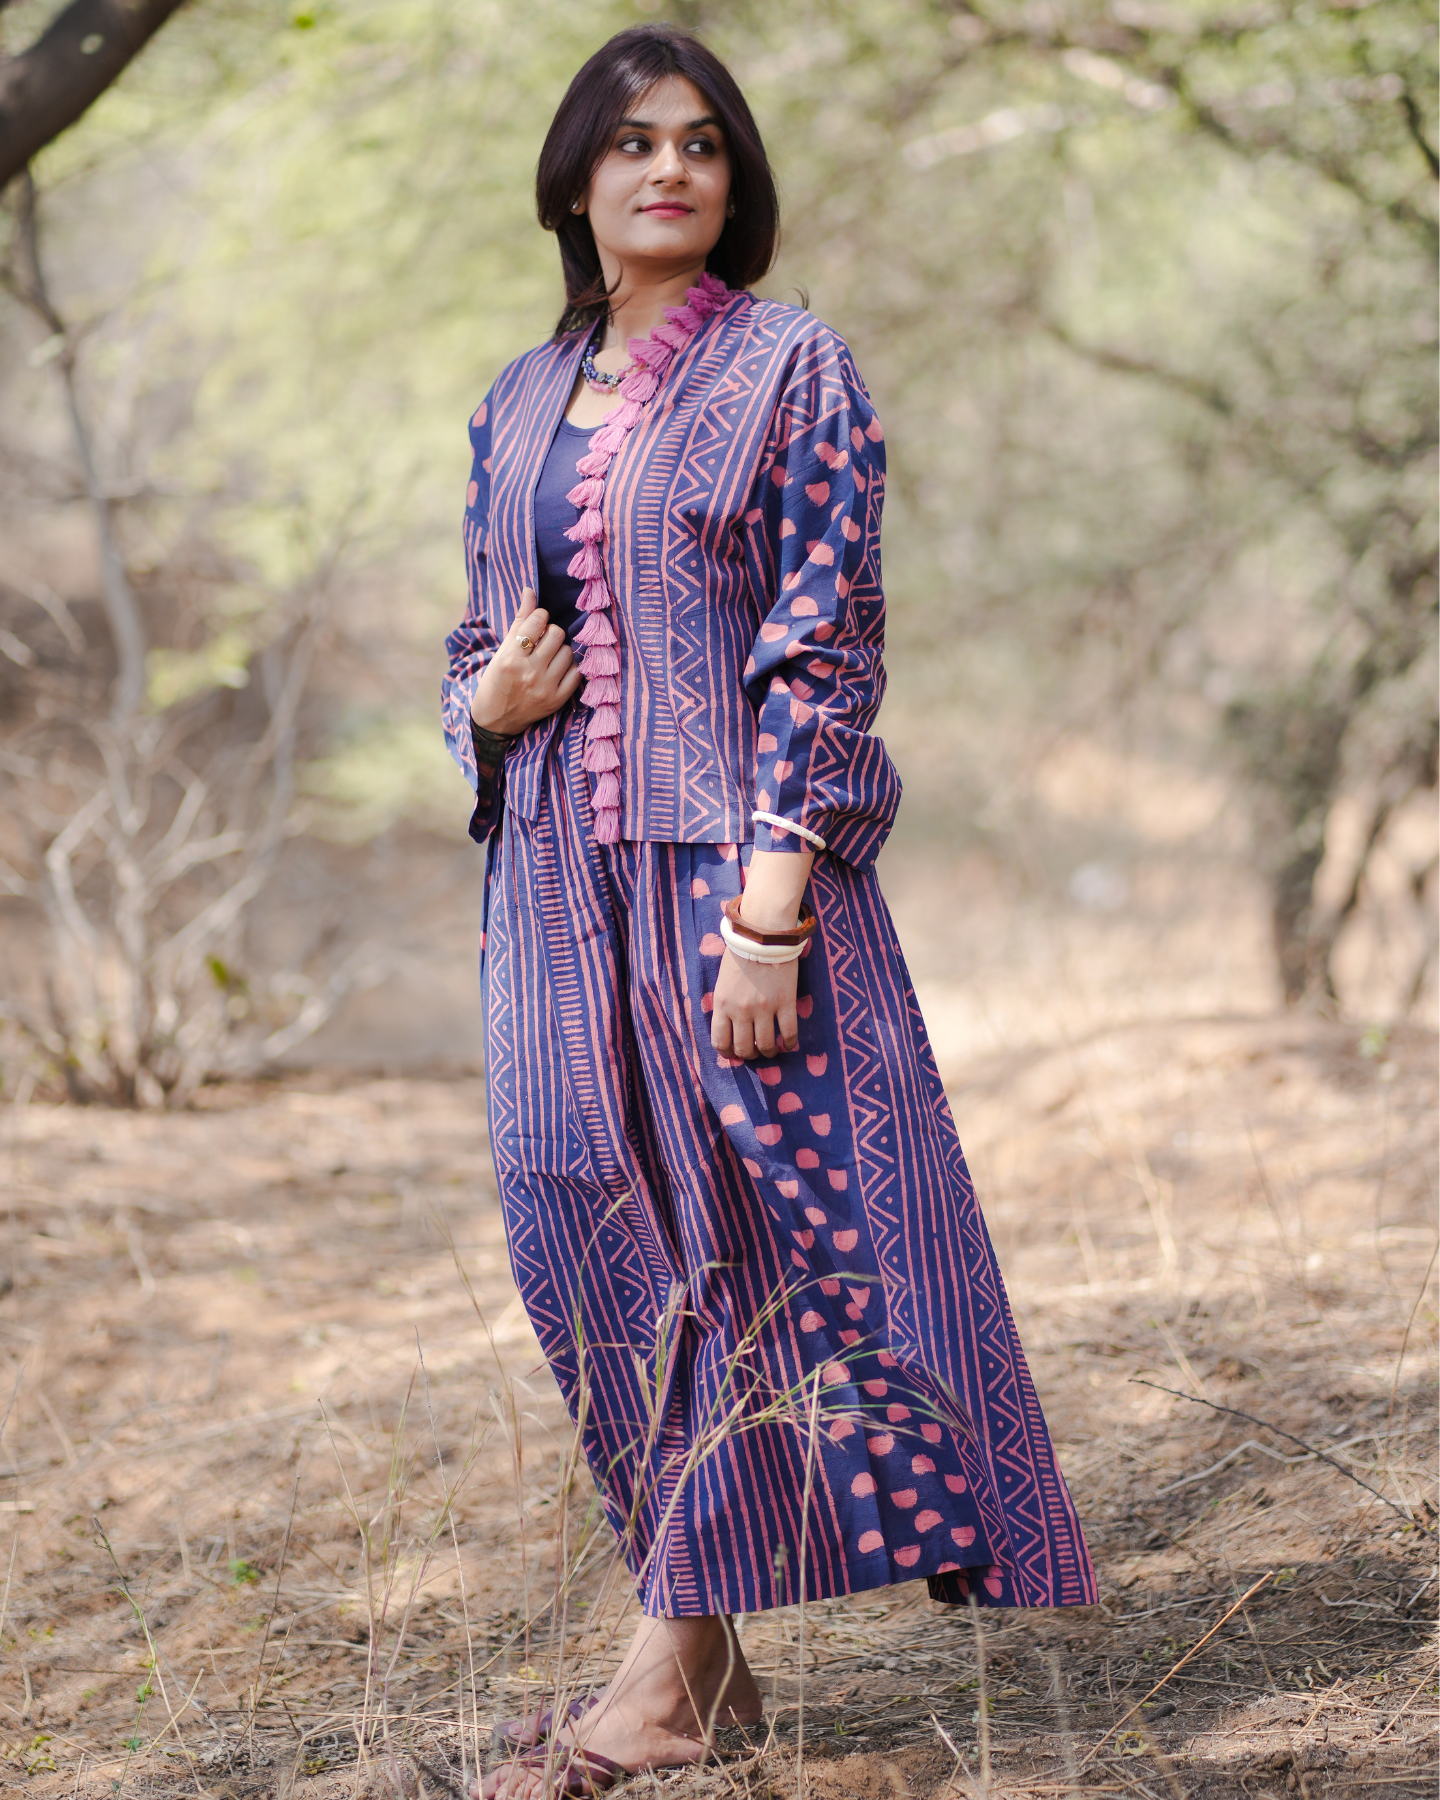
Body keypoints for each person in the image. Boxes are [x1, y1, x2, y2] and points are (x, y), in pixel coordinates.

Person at [442, 25, 1096, 1797]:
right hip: (551, 901)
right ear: (576, 178)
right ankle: (709, 1668)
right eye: (637, 143)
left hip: (730, 882)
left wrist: (773, 913)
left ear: (736, 183)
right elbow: (485, 641)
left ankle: (660, 1683)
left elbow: (829, 652)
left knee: (747, 1245)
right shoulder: (514, 398)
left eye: (705, 146)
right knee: (580, 1236)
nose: (672, 170)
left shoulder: (795, 368)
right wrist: (480, 711)